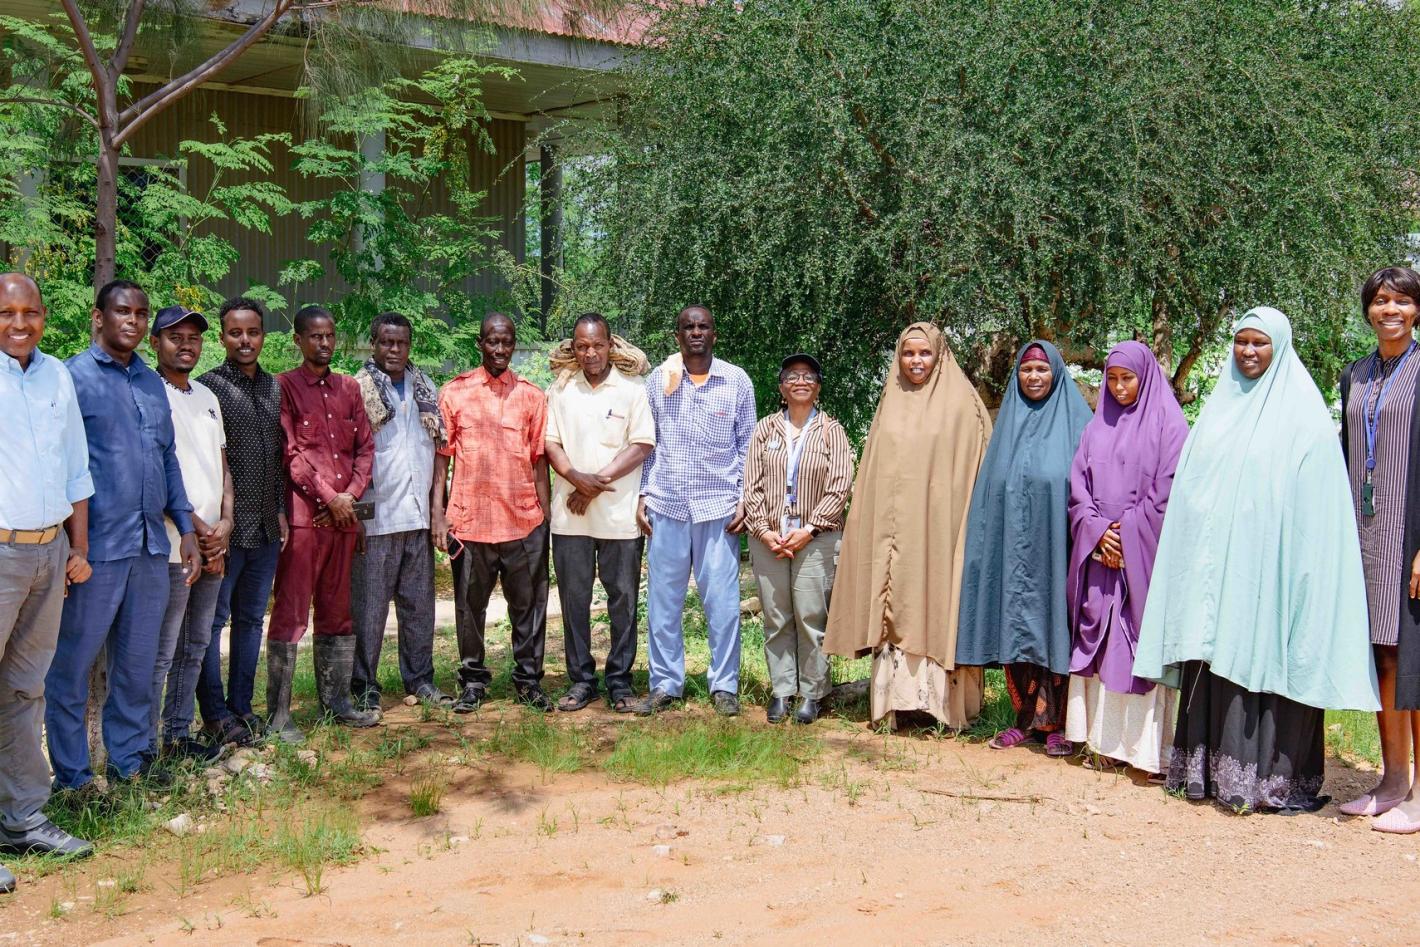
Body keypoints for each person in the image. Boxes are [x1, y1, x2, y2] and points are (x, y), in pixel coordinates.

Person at [1135, 307, 1380, 813]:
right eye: (1241, 341)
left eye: (1259, 343)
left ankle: (1269, 781)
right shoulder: (1216, 413)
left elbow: (1318, 511)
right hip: (1217, 576)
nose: (1248, 351)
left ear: (1280, 347)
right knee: (1217, 657)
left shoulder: (1305, 419)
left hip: (1273, 574)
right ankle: (1206, 773)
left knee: (1266, 660)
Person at [46, 280, 200, 791]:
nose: (132, 321)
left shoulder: (151, 383)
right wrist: (69, 546)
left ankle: (129, 764)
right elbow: (59, 465)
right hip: (95, 552)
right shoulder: (72, 378)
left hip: (150, 548)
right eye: (122, 311)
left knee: (136, 668)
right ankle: (73, 779)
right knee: (71, 669)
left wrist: (185, 528)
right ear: (99, 317)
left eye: (140, 312)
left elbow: (167, 458)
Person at [824, 322, 991, 730]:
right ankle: (894, 704)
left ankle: (943, 708)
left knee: (940, 604)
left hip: (943, 534)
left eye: (924, 353)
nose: (916, 361)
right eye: (908, 353)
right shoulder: (891, 400)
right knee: (895, 607)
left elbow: (977, 472)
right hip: (894, 538)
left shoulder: (963, 404)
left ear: (940, 355)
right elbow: (875, 471)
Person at [0, 273, 94, 892]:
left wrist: (76, 548)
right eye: (6, 312)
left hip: (48, 552)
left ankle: (22, 817)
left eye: (29, 311)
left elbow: (76, 469)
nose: (19, 323)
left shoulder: (57, 375)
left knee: (24, 689)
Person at [956, 340, 1091, 754]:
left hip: (1058, 550)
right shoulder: (1006, 428)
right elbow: (990, 494)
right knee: (1017, 627)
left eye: (1042, 369)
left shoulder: (1080, 424)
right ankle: (1025, 720)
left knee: (1055, 628)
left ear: (1057, 373)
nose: (1033, 377)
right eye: (1026, 370)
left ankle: (1059, 724)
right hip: (1014, 553)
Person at [1063, 341, 1188, 775]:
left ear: (1146, 377)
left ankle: (1141, 751)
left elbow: (1168, 492)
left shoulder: (1170, 425)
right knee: (1100, 640)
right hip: (1101, 553)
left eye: (1127, 378)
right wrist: (1099, 533)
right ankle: (1099, 741)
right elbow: (1078, 488)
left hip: (1143, 557)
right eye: (1111, 379)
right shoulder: (1096, 426)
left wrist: (1128, 535)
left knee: (1136, 643)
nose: (1118, 387)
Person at [635, 305, 756, 717]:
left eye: (703, 326)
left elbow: (747, 446)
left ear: (714, 334)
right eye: (688, 327)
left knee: (722, 604)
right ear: (678, 336)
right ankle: (666, 683)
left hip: (718, 509)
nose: (696, 333)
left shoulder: (736, 381)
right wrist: (643, 494)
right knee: (663, 604)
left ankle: (724, 685)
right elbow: (649, 442)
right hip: (667, 504)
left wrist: (744, 498)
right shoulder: (660, 380)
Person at [433, 313, 553, 713]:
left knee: (529, 609)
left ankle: (528, 681)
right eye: (492, 341)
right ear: (480, 344)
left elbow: (539, 461)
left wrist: (545, 518)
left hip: (523, 521)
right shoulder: (454, 393)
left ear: (514, 344)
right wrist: (439, 514)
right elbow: (442, 460)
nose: (500, 349)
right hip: (469, 523)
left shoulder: (532, 396)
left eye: (507, 342)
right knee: (469, 609)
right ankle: (472, 682)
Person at [268, 305, 378, 741]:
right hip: (304, 522)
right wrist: (329, 498)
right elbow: (290, 454)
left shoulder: (349, 388)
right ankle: (279, 716)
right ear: (298, 340)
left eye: (330, 335)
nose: (324, 343)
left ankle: (337, 702)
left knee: (338, 612)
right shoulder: (284, 387)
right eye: (315, 336)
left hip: (343, 521)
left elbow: (365, 449)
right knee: (292, 613)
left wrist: (349, 496)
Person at [1337, 266, 1420, 831]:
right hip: (1363, 534)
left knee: (1415, 662)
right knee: (1381, 656)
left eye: (1403, 301)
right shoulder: (1356, 375)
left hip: (1409, 536)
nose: (1391, 310)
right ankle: (1392, 781)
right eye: (1381, 300)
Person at [543, 314, 654, 713]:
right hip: (570, 517)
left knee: (623, 600)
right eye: (582, 346)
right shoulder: (561, 389)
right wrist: (575, 478)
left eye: (597, 345)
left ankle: (620, 682)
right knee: (574, 601)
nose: (590, 353)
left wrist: (593, 484)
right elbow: (551, 444)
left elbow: (642, 445)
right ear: (573, 348)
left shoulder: (632, 389)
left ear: (610, 345)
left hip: (619, 518)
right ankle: (581, 681)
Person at [742, 353, 854, 724]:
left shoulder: (832, 431)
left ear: (818, 387)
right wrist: (764, 530)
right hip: (769, 539)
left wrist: (809, 529)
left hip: (816, 538)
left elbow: (840, 486)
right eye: (792, 376)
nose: (800, 381)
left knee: (810, 616)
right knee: (776, 617)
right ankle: (782, 690)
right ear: (781, 387)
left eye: (808, 376)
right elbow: (751, 486)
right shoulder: (765, 429)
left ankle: (813, 693)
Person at [197, 297, 287, 746]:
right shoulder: (207, 389)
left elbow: (279, 456)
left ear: (263, 336)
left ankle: (242, 708)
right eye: (235, 333)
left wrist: (281, 511)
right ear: (222, 338)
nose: (245, 340)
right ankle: (214, 715)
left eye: (252, 332)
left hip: (266, 528)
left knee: (251, 621)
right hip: (225, 530)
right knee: (212, 624)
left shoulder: (273, 388)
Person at [350, 312, 449, 713]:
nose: (394, 349)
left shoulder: (426, 388)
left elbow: (439, 452)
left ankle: (420, 679)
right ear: (373, 344)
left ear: (410, 346)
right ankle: (364, 686)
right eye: (386, 342)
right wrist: (356, 516)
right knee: (369, 609)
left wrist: (437, 511)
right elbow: (349, 455)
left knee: (419, 607)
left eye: (401, 343)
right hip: (377, 518)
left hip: (417, 515)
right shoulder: (357, 389)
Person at [149, 306, 233, 764]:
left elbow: (222, 467)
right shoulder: (148, 392)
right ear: (155, 343)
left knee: (196, 645)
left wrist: (225, 525)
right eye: (175, 337)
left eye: (193, 338)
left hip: (212, 543)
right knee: (162, 650)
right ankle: (145, 747)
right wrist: (196, 529)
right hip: (172, 545)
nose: (186, 345)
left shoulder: (206, 396)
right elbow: (158, 473)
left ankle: (178, 737)